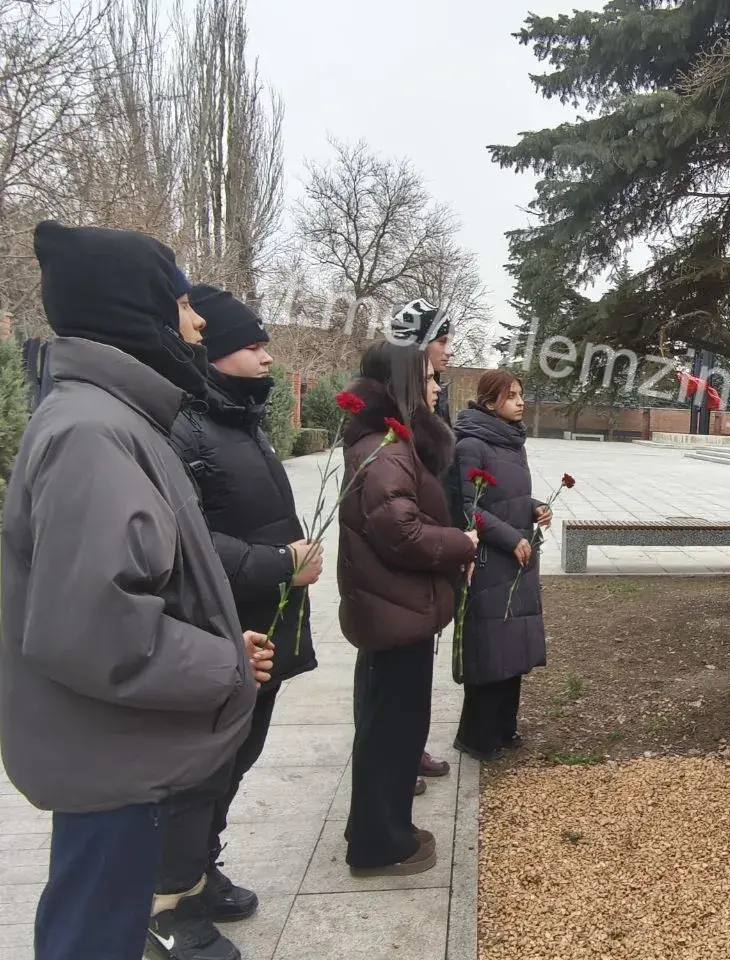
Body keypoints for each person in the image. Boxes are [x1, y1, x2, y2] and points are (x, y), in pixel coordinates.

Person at [1, 221, 266, 960]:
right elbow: (95, 630)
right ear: (134, 310)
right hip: (112, 760)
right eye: (182, 304)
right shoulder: (92, 434)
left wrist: (217, 640)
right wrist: (224, 664)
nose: (199, 323)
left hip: (120, 749)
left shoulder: (113, 419)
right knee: (93, 936)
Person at [147, 285, 323, 960]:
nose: (267, 357)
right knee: (201, 769)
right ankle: (167, 901)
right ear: (215, 352)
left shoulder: (239, 420)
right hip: (221, 630)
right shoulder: (185, 427)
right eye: (252, 346)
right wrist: (278, 562)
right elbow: (184, 539)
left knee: (237, 760)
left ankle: (200, 868)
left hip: (262, 625)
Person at [337, 341, 477, 876]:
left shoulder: (385, 443)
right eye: (428, 378)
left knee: (388, 727)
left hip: (393, 608)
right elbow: (401, 530)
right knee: (392, 732)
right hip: (395, 610)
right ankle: (381, 844)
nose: (437, 387)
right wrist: (462, 543)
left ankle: (376, 826)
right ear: (403, 385)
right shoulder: (388, 449)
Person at [452, 370, 549, 761]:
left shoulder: (513, 443)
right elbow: (467, 507)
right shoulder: (471, 445)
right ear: (489, 402)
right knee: (490, 649)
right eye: (511, 396)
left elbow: (509, 498)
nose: (520, 402)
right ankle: (477, 737)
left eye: (521, 394)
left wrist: (535, 507)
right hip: (491, 558)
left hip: (518, 559)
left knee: (512, 649)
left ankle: (505, 729)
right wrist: (511, 538)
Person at [389, 298, 455, 784]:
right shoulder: (396, 405)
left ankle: (410, 748)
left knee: (415, 669)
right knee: (391, 674)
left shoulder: (431, 396)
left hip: (431, 546)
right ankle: (394, 759)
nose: (449, 351)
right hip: (402, 558)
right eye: (442, 341)